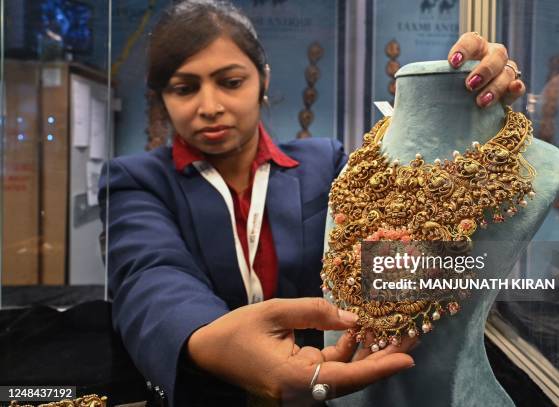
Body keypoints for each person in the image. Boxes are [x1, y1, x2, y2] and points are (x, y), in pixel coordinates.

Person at [98, 1, 526, 406]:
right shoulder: (137, 180)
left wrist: (466, 114)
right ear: (163, 97)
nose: (210, 107)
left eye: (231, 82)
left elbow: (400, 243)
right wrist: (206, 338)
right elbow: (149, 274)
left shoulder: (325, 164)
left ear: (263, 80)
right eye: (185, 88)